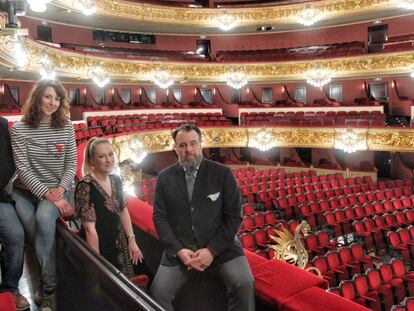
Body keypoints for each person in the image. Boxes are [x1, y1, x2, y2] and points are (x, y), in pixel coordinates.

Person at [150, 124, 255, 311]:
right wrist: (178, 250)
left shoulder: (222, 173)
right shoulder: (164, 177)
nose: (188, 149)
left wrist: (212, 250)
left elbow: (234, 217)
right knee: (158, 292)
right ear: (175, 148)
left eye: (193, 143)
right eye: (182, 145)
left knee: (244, 284)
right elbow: (160, 217)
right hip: (181, 250)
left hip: (221, 249)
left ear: (201, 144)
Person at [10, 80, 77, 311]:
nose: (53, 102)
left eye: (57, 98)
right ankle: (46, 285)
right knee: (37, 233)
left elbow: (71, 164)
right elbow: (23, 169)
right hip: (25, 192)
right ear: (37, 98)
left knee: (43, 222)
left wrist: (60, 189)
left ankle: (48, 289)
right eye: (48, 97)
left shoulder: (67, 127)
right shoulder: (19, 129)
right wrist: (46, 193)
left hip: (58, 188)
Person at [75, 137, 146, 278]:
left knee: (144, 272)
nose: (109, 160)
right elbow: (90, 230)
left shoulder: (116, 179)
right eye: (102, 156)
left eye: (110, 154)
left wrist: (132, 241)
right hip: (99, 245)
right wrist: (97, 264)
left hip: (120, 240)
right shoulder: (85, 186)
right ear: (92, 161)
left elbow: (123, 210)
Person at [0, 117, 29, 310]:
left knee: (16, 236)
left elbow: (10, 160)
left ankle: (10, 290)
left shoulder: (1, 124)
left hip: (0, 196)